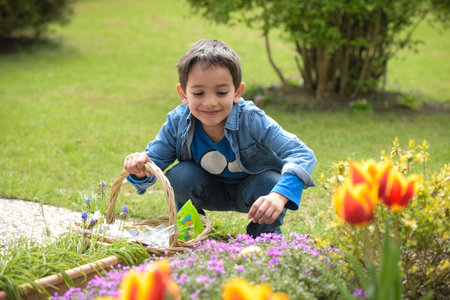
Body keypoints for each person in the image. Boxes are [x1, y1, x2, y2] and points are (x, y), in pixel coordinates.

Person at [123, 39, 316, 237]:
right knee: (179, 177)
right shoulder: (177, 122)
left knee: (270, 182)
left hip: (254, 193)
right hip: (209, 190)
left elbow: (302, 154)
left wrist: (279, 194)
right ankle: (192, 234)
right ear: (183, 94)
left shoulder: (252, 119)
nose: (210, 102)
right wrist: (139, 167)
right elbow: (152, 164)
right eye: (198, 93)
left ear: (237, 92)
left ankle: (264, 239)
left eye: (222, 92)